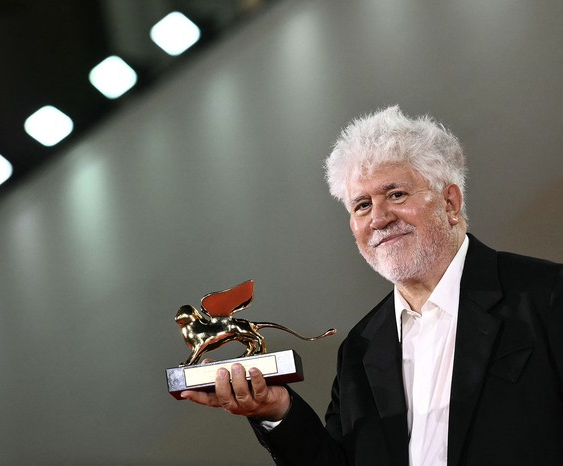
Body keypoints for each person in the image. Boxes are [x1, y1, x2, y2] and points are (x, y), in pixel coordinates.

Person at [181, 106, 563, 465]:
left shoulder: (547, 296)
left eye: (396, 194)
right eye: (361, 205)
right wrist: (277, 412)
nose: (379, 219)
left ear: (450, 203)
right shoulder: (360, 349)